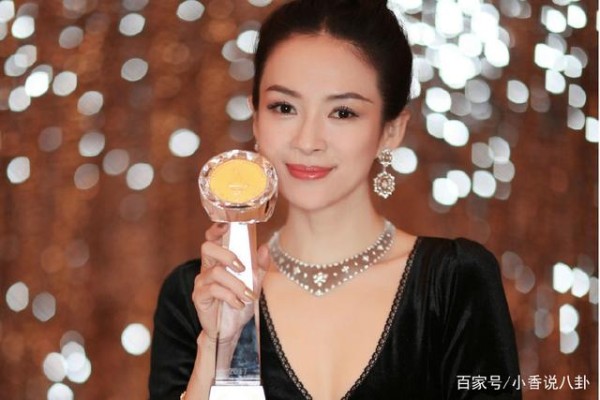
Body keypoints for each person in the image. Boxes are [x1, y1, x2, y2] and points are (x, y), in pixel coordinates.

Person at [149, 0, 521, 399]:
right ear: (256, 117)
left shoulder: (453, 282)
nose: (308, 141)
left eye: (343, 112)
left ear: (391, 131)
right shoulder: (198, 294)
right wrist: (217, 347)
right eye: (284, 107)